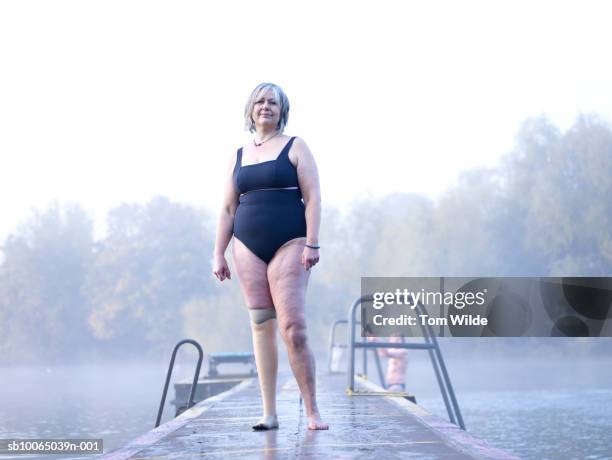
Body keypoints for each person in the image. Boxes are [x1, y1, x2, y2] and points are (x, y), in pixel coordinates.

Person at [212, 82, 329, 431]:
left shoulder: (296, 146)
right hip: (246, 245)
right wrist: (218, 253)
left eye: (273, 102)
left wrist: (313, 242)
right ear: (250, 110)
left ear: (282, 110)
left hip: (290, 242)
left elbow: (314, 197)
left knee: (293, 328)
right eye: (260, 101)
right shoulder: (238, 154)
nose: (266, 106)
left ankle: (312, 411)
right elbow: (228, 207)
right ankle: (269, 413)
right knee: (261, 324)